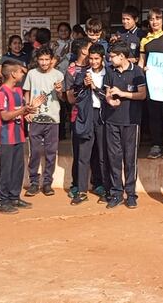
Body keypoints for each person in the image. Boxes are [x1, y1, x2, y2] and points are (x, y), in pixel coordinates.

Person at [0, 60, 42, 214]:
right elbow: (5, 116)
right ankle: (2, 199)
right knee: (4, 169)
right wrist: (23, 110)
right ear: (13, 74)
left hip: (18, 135)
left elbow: (21, 112)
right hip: (4, 138)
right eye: (20, 71)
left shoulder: (18, 91)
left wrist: (31, 109)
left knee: (17, 168)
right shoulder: (1, 92)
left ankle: (14, 196)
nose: (23, 73)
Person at [103, 41, 147, 209]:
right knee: (114, 158)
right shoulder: (110, 71)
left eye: (112, 56)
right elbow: (107, 94)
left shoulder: (137, 72)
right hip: (112, 120)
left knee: (130, 159)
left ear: (122, 56)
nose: (110, 59)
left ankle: (131, 194)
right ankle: (116, 193)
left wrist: (122, 94)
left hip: (131, 121)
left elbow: (142, 95)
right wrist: (109, 100)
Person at [67, 43, 109, 205]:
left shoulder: (109, 74)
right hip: (86, 116)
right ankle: (81, 190)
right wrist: (84, 85)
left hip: (102, 116)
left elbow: (108, 97)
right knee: (83, 155)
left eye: (96, 58)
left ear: (102, 58)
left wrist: (94, 87)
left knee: (103, 155)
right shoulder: (82, 74)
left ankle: (106, 189)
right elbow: (75, 95)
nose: (93, 61)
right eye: (90, 58)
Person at [23, 47, 65, 197]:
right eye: (41, 59)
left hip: (53, 118)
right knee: (34, 151)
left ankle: (47, 183)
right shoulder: (31, 74)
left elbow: (62, 97)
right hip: (35, 118)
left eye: (47, 59)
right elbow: (26, 93)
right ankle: (34, 182)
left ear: (52, 60)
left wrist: (60, 91)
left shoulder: (59, 75)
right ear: (37, 60)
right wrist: (27, 110)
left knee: (51, 152)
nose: (44, 62)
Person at [139, 7, 163, 159]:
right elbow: (142, 61)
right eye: (152, 19)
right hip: (152, 83)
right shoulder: (144, 40)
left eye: (158, 18)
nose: (154, 22)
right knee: (154, 114)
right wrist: (143, 70)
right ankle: (156, 144)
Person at [63, 38, 95, 199]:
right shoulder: (71, 71)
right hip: (79, 116)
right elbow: (69, 98)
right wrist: (83, 90)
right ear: (83, 50)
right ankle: (77, 185)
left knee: (97, 152)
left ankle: (98, 184)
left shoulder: (95, 66)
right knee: (80, 152)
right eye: (90, 48)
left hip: (96, 116)